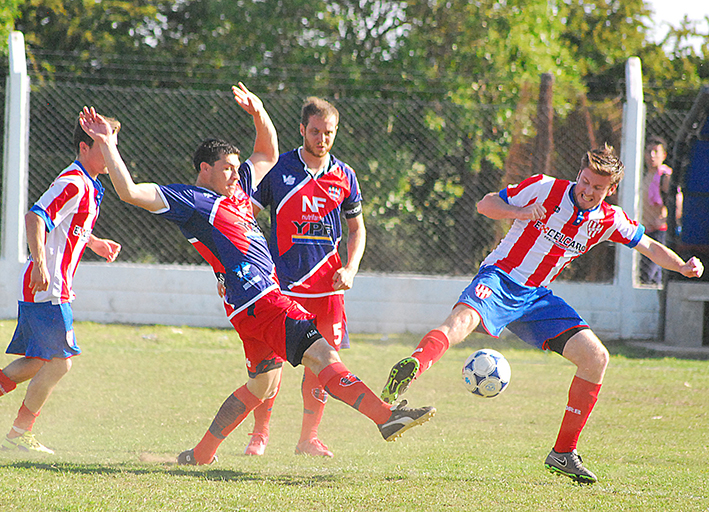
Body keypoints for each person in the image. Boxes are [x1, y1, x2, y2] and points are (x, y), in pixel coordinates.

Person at [78, 83, 435, 466]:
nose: (237, 175)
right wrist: (108, 144)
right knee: (322, 355)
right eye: (228, 169)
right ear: (205, 169)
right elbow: (130, 191)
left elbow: (266, 150)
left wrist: (259, 111)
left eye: (237, 169)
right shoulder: (193, 202)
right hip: (262, 301)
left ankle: (200, 454)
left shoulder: (236, 191)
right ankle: (386, 416)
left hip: (247, 308)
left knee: (261, 385)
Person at [380, 144, 704, 484]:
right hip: (500, 277)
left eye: (597, 187)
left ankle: (563, 453)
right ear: (579, 174)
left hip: (537, 298)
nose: (588, 191)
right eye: (585, 181)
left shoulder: (608, 219)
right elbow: (485, 204)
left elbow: (649, 246)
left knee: (596, 358)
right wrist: (517, 212)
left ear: (610, 190)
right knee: (462, 320)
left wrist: (682, 265)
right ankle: (413, 366)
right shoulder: (544, 187)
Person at [236, 97, 365, 457]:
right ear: (301, 130)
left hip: (328, 291)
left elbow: (357, 230)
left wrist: (350, 267)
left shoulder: (345, 176)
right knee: (271, 366)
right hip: (282, 287)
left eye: (329, 133)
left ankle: (308, 438)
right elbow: (245, 219)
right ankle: (259, 435)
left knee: (323, 367)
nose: (322, 139)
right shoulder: (278, 168)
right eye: (315, 131)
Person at [0, 116, 122, 454]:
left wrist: (93, 242)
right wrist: (40, 264)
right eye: (105, 144)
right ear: (84, 147)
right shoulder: (74, 181)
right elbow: (35, 217)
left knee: (39, 361)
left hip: (51, 285)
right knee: (60, 362)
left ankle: (18, 433)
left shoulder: (90, 184)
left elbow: (65, 225)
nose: (112, 151)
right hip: (48, 286)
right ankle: (19, 434)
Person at [640, 135, 682, 284]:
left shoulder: (665, 176)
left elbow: (678, 203)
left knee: (651, 275)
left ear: (663, 155)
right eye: (649, 151)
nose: (652, 155)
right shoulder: (645, 176)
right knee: (646, 273)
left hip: (660, 231)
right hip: (646, 230)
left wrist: (663, 220)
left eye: (656, 151)